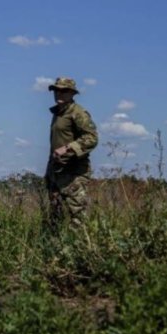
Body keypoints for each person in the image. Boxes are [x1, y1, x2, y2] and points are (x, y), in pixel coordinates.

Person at [45, 77, 98, 230]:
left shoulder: (77, 113)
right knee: (56, 215)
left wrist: (68, 148)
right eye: (56, 90)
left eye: (64, 91)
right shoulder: (58, 113)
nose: (59, 93)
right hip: (57, 172)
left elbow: (92, 138)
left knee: (78, 215)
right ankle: (56, 243)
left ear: (72, 93)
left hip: (74, 173)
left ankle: (81, 244)